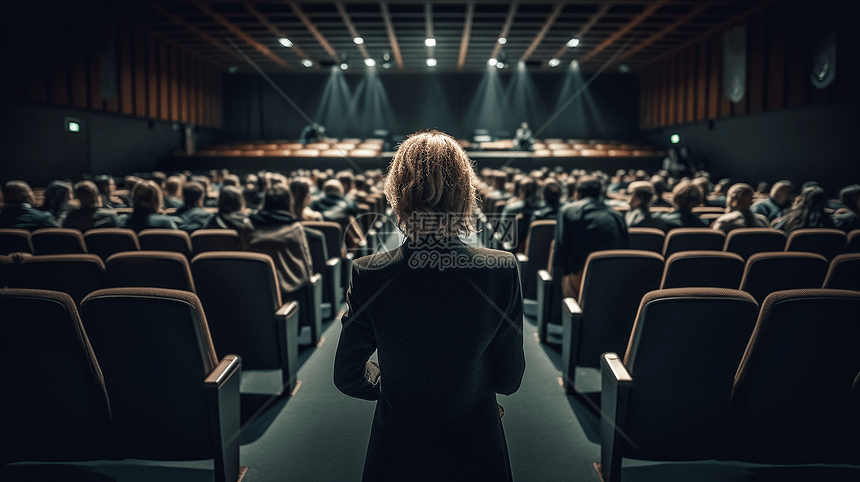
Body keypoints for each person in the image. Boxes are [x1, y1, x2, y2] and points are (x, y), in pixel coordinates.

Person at [333, 130, 525, 482]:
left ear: (397, 193)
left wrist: (393, 383)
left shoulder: (369, 273)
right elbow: (510, 379)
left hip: (399, 442)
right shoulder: (501, 268)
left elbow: (347, 375)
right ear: (465, 192)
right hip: (475, 439)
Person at [552, 175, 629, 300]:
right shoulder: (617, 215)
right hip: (615, 280)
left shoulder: (567, 211)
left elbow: (561, 251)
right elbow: (625, 248)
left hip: (582, 280)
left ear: (577, 193)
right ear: (600, 193)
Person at [243, 185, 314, 303]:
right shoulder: (295, 228)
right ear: (288, 202)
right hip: (291, 291)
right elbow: (306, 260)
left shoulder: (249, 226)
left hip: (257, 289)